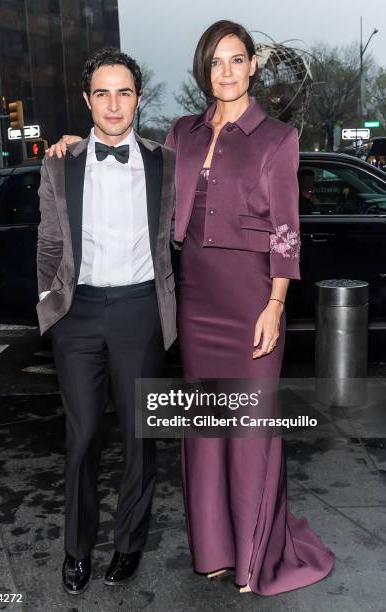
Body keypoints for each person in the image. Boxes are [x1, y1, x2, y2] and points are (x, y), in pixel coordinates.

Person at [46, 21, 335, 596]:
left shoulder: (278, 137)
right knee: (204, 434)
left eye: (236, 60)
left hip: (251, 297)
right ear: (203, 72)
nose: (225, 72)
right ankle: (215, 552)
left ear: (253, 66)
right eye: (214, 62)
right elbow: (126, 156)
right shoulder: (183, 132)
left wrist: (276, 305)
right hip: (195, 300)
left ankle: (257, 559)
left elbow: (286, 231)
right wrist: (67, 146)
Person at [36, 48, 176, 595]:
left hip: (141, 309)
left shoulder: (166, 161)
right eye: (102, 92)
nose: (113, 104)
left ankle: (128, 545)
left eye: (124, 92)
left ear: (139, 98)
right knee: (83, 435)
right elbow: (49, 241)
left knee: (142, 438)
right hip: (79, 312)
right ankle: (76, 551)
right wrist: (51, 302)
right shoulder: (59, 162)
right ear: (86, 100)